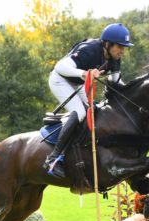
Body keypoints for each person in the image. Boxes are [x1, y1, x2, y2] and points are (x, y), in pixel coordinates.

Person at [43, 23, 134, 178]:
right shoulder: (90, 49)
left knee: (95, 110)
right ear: (107, 44)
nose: (122, 51)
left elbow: (116, 84)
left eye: (124, 48)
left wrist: (133, 94)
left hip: (78, 84)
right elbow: (59, 67)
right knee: (79, 112)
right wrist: (83, 74)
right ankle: (53, 159)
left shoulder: (115, 58)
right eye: (120, 47)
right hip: (60, 80)